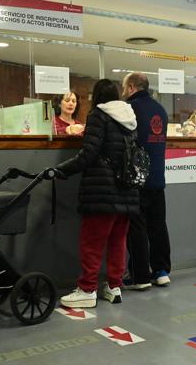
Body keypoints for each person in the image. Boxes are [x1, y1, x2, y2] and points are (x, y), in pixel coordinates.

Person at [56, 79, 139, 308]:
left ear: (97, 97)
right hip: (127, 190)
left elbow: (88, 154)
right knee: (117, 241)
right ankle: (114, 286)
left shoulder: (98, 116)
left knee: (92, 241)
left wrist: (61, 170)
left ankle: (87, 289)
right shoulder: (130, 117)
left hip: (102, 190)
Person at [122, 72, 171, 289]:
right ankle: (161, 271)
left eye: (124, 88)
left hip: (136, 179)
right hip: (158, 178)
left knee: (137, 227)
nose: (123, 92)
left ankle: (139, 275)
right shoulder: (160, 109)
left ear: (131, 87)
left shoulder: (129, 109)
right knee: (158, 225)